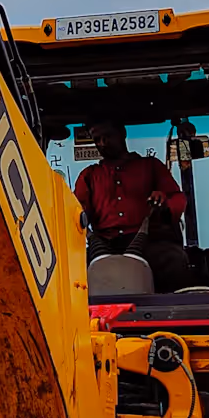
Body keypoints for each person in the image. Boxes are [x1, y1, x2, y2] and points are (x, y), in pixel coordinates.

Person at [73, 122, 191, 293]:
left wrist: (163, 201)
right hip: (104, 246)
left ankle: (177, 311)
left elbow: (177, 199)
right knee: (71, 271)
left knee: (174, 260)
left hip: (149, 242)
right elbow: (76, 211)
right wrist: (81, 215)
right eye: (97, 139)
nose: (102, 143)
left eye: (107, 136)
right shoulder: (89, 175)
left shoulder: (151, 166)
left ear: (122, 134)